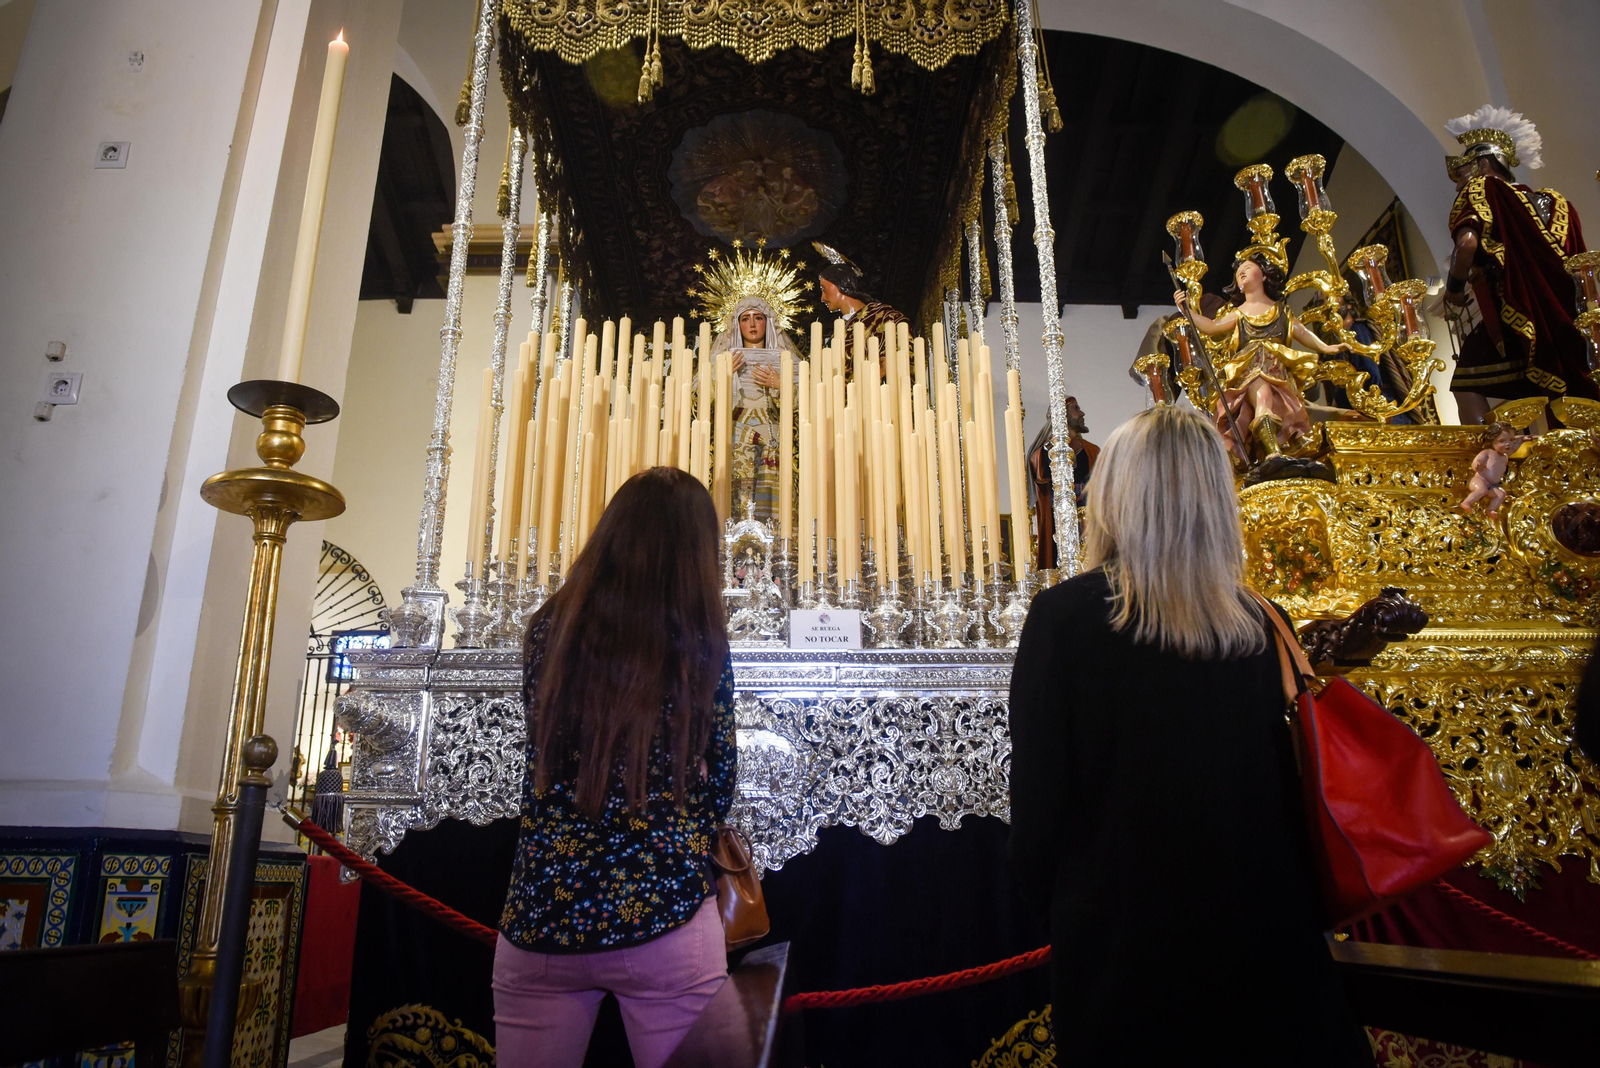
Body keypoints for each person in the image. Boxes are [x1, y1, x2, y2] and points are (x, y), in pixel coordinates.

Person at [1008, 405, 1373, 1066]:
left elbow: (1037, 814)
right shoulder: (1265, 622)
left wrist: (1062, 911)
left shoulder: (1064, 620)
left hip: (1125, 957)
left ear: (1116, 496)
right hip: (1267, 948)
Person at [495, 467, 736, 1068]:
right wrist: (678, 837)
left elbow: (545, 750)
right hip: (663, 915)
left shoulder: (549, 629)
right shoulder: (697, 639)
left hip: (542, 912)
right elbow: (721, 773)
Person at [1439, 105, 1591, 423]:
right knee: (1561, 400)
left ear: (1482, 164)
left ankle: (1490, 464)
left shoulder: (1483, 190)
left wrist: (1453, 289)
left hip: (1515, 311)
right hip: (1566, 321)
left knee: (1465, 382)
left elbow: (1467, 244)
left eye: (1461, 173)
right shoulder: (1558, 203)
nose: (1457, 184)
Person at [1176, 252, 1351, 478]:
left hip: (1279, 374)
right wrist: (1187, 310)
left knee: (1280, 406)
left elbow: (1303, 332)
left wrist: (1326, 348)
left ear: (1264, 275)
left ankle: (1274, 450)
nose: (1241, 273)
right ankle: (1272, 453)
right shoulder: (1238, 314)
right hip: (1250, 371)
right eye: (1239, 273)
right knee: (1263, 398)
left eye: (1247, 268)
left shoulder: (1281, 312)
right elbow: (1211, 326)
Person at [711, 296, 799, 521]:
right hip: (735, 437)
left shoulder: (788, 361)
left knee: (774, 499)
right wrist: (725, 377)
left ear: (767, 323)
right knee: (735, 498)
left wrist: (781, 385)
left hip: (773, 438)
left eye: (758, 318)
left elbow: (809, 401)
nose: (751, 325)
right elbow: (700, 400)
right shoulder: (722, 360)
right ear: (737, 325)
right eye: (745, 319)